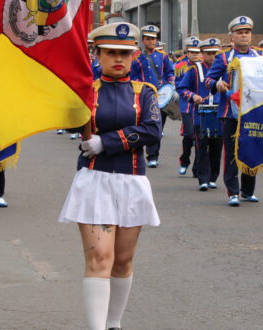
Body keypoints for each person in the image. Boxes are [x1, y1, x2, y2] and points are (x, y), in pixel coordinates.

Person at [58, 22, 162, 330]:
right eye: (111, 53)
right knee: (100, 258)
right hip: (94, 180)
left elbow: (152, 131)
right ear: (97, 55)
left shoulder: (145, 93)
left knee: (122, 260)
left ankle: (114, 323)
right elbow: (65, 118)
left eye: (125, 53)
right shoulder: (85, 90)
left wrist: (107, 141)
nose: (119, 59)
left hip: (132, 181)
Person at [204, 16, 263, 207]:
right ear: (232, 36)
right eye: (239, 33)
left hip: (252, 112)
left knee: (251, 150)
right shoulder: (223, 58)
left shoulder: (260, 58)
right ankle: (233, 191)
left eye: (247, 33)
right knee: (231, 153)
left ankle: (248, 191)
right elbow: (208, 80)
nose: (244, 36)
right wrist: (218, 83)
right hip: (229, 112)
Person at [177, 37, 222, 190]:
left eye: (215, 53)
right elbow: (182, 88)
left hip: (219, 115)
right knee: (202, 147)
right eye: (209, 53)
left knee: (217, 147)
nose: (212, 56)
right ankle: (202, 178)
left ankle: (213, 177)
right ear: (202, 54)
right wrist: (193, 96)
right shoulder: (194, 70)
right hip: (200, 116)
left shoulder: (225, 70)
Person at [130, 24, 175, 168]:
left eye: (154, 39)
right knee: (143, 124)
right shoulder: (137, 58)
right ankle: (140, 152)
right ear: (143, 40)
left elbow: (170, 73)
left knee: (157, 126)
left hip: (161, 96)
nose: (151, 41)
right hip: (144, 95)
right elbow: (133, 75)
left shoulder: (163, 57)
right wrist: (140, 85)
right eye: (148, 39)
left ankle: (153, 155)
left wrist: (169, 85)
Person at [176, 37, 202, 176]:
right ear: (188, 52)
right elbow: (179, 87)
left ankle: (198, 168)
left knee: (202, 137)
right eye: (192, 52)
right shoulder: (181, 66)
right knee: (190, 135)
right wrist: (191, 96)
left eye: (197, 52)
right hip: (187, 106)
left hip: (204, 106)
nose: (195, 54)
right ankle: (184, 161)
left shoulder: (206, 65)